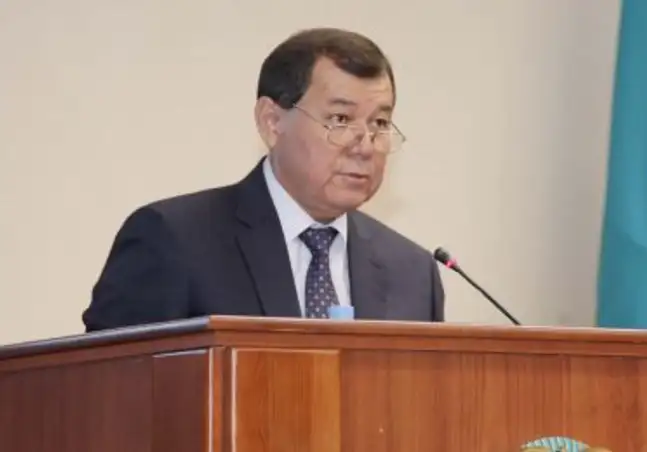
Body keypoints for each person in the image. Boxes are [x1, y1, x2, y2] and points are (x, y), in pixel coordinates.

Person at [82, 28, 445, 332]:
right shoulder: (173, 241)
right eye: (339, 119)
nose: (364, 146)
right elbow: (107, 385)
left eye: (380, 123)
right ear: (272, 121)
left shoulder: (413, 272)